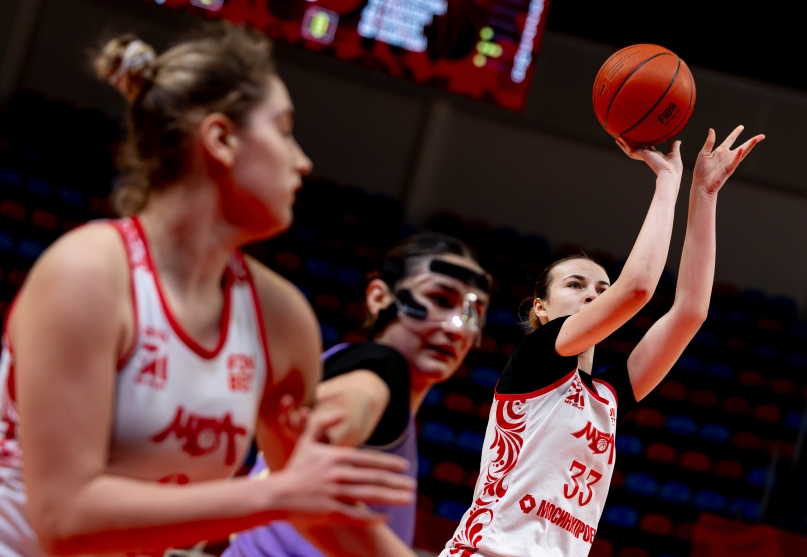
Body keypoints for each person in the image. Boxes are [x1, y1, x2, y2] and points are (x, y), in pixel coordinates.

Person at [0, 25, 415, 557]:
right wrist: (275, 495)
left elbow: (316, 506)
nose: (303, 161)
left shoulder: (279, 316)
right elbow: (66, 519)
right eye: (284, 131)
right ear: (221, 139)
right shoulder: (87, 273)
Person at [440, 127, 764, 557]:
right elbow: (637, 289)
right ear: (541, 308)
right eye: (575, 285)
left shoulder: (608, 399)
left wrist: (704, 194)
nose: (593, 295)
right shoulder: (536, 356)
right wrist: (668, 180)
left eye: (601, 287)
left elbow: (690, 312)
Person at [224, 232, 492, 557]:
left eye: (473, 312)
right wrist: (326, 433)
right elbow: (343, 414)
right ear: (379, 297)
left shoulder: (342, 360)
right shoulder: (380, 370)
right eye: (439, 299)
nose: (457, 328)